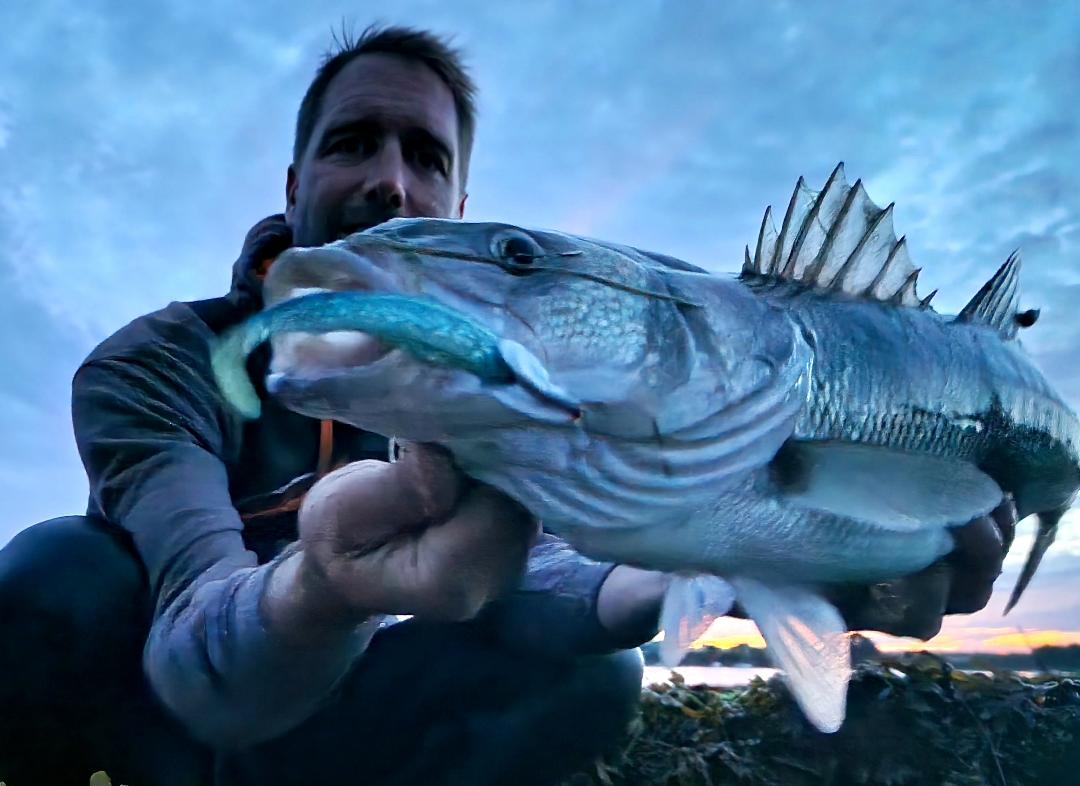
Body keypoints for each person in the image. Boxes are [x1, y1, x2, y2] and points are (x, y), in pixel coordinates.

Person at [0, 25, 1017, 786]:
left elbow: (556, 576)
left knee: (592, 679)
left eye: (427, 157)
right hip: (165, 726)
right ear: (295, 178)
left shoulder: (498, 393)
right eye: (353, 143)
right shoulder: (151, 364)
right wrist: (328, 585)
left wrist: (738, 566)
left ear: (459, 205)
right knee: (55, 578)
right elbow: (190, 625)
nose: (391, 183)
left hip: (330, 732)